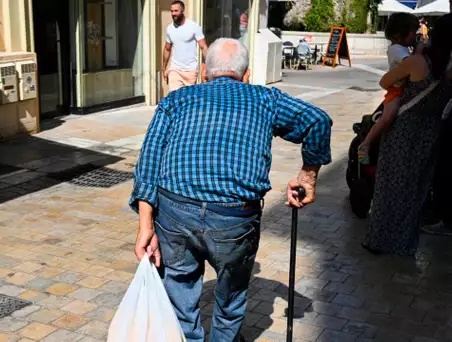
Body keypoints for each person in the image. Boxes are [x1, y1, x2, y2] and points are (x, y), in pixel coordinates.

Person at [130, 38, 333, 342]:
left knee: (180, 295)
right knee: (230, 299)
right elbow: (318, 121)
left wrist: (145, 226)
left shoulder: (176, 100)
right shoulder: (265, 99)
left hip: (176, 213)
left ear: (203, 71)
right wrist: (307, 177)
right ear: (247, 74)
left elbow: (148, 164)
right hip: (233, 217)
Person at [363, 14, 452, 256]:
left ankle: (380, 240)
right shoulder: (448, 67)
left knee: (391, 185)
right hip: (431, 132)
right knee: (417, 189)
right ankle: (405, 242)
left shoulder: (417, 62)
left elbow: (385, 81)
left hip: (405, 130)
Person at [358, 13, 418, 164]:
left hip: (402, 89)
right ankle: (365, 145)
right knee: (387, 118)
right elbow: (410, 63)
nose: (416, 35)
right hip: (395, 91)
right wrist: (421, 51)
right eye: (413, 32)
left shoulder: (403, 48)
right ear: (401, 32)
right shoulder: (396, 49)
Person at [162, 1, 208, 92]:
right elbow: (167, 49)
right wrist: (164, 68)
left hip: (190, 71)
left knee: (188, 100)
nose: (173, 14)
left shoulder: (194, 27)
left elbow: (204, 47)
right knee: (175, 97)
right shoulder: (169, 29)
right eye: (172, 11)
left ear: (182, 11)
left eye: (176, 11)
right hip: (175, 69)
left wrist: (206, 66)